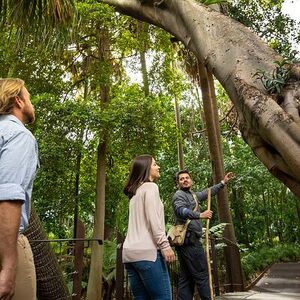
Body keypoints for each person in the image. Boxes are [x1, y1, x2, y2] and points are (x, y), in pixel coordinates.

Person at [0, 78, 39, 300]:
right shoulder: (18, 136)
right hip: (6, 242)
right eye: (29, 98)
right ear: (18, 101)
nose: (32, 103)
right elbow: (8, 197)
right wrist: (8, 267)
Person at [172, 170, 234, 300]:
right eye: (181, 179)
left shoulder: (193, 195)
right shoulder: (179, 195)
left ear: (191, 180)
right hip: (190, 243)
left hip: (188, 244)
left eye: (187, 178)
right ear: (178, 183)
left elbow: (207, 192)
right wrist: (200, 215)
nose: (185, 180)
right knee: (202, 275)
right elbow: (180, 210)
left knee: (187, 278)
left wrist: (223, 182)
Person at [122, 154, 176, 300]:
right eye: (154, 164)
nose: (158, 167)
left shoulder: (135, 193)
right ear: (146, 168)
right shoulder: (151, 187)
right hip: (148, 254)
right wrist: (165, 245)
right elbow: (154, 219)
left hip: (130, 255)